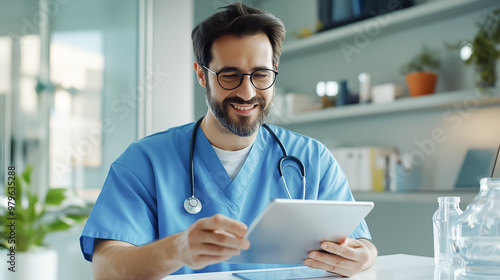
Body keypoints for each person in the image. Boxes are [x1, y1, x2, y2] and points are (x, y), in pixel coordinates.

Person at [80, 3, 377, 279]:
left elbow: (360, 244)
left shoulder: (313, 159)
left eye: (260, 75)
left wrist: (366, 255)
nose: (247, 92)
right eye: (229, 75)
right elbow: (106, 267)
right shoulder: (144, 162)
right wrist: (176, 249)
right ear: (201, 74)